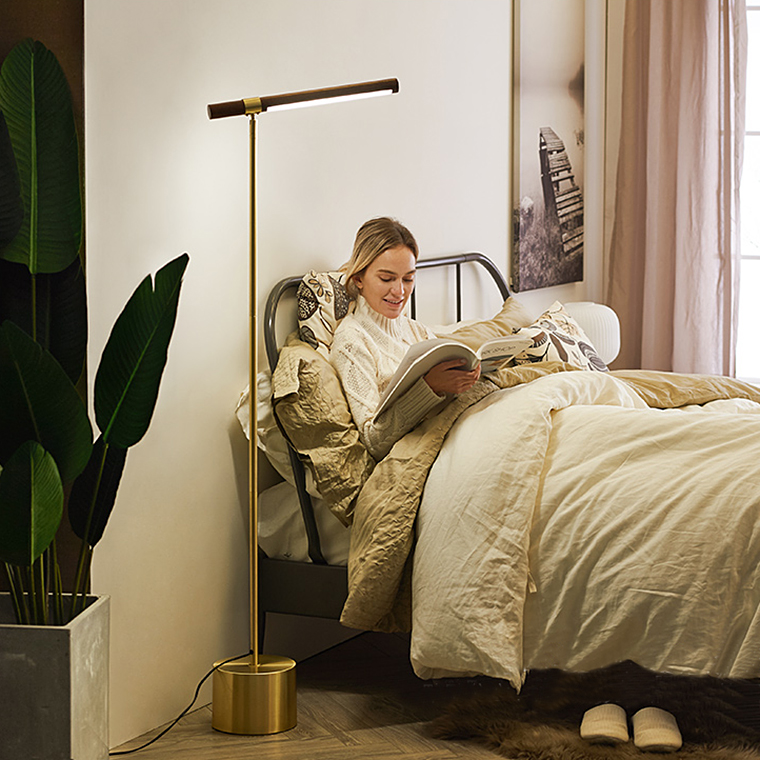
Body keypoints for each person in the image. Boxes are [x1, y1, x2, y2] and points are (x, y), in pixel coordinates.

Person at [330, 217, 481, 460]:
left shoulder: (417, 331)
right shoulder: (351, 342)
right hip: (427, 452)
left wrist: (468, 377)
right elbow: (373, 441)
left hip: (460, 430)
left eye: (408, 279)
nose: (400, 291)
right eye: (386, 279)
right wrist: (430, 387)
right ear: (358, 279)